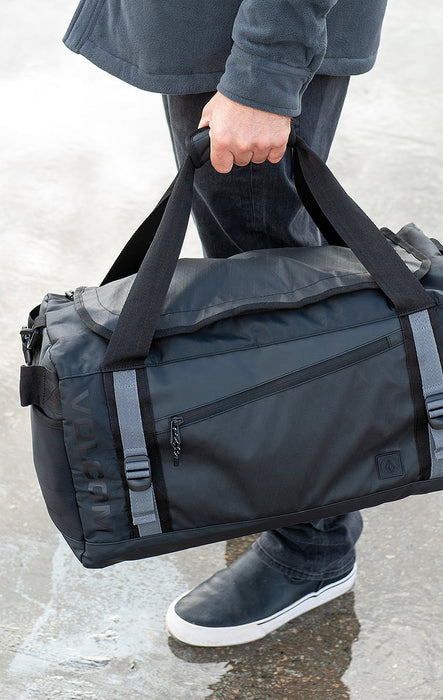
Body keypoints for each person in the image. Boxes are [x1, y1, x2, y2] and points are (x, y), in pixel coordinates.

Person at [63, 0, 388, 647]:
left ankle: (314, 548)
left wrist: (264, 71)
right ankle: (290, 485)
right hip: (213, 35)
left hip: (244, 37)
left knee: (272, 288)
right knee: (256, 274)